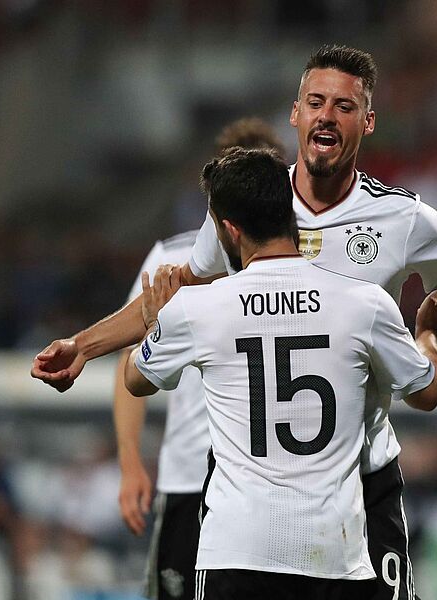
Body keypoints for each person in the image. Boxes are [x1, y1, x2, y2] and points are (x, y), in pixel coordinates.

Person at [32, 45, 437, 599]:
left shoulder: (401, 218)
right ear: (295, 114)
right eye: (315, 102)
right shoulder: (254, 207)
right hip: (260, 485)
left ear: (368, 121)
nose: (327, 116)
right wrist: (83, 346)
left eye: (344, 106)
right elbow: (182, 287)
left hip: (360, 478)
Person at [124, 148, 437, 599]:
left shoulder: (198, 308)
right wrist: (428, 334)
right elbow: (428, 390)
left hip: (234, 552)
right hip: (332, 553)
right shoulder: (362, 302)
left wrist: (156, 322)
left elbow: (136, 378)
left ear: (230, 230)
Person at [114, 118, 285, 600]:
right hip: (192, 472)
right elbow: (130, 363)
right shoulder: (170, 259)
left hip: (271, 480)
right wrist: (130, 462)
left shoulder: (301, 265)